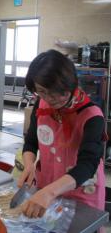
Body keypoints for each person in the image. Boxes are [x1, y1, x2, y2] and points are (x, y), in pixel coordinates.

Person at [18, 49, 106, 218]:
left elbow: (88, 164)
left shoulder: (92, 115)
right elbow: (31, 142)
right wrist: (29, 165)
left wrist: (50, 193)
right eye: (42, 91)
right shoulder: (42, 104)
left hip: (81, 192)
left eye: (58, 92)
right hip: (46, 186)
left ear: (71, 85)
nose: (50, 99)